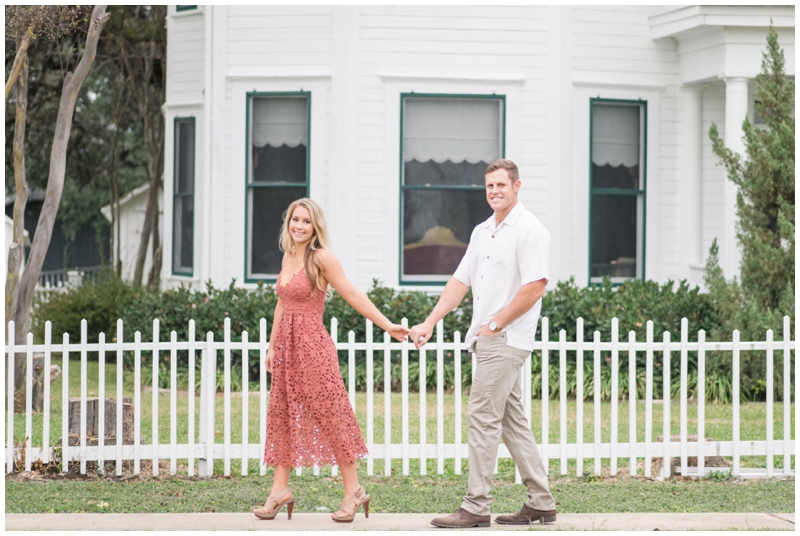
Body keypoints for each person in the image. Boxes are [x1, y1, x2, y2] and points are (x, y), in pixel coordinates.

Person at [410, 159, 557, 528]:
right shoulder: (482, 232)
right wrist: (429, 322)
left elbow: (535, 286)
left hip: (505, 338)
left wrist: (494, 324)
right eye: (489, 185)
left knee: (483, 417)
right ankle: (541, 501)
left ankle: (475, 506)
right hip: (490, 338)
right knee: (511, 421)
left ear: (517, 186)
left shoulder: (530, 230)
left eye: (501, 185)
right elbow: (460, 283)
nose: (494, 191)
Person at [254, 198, 410, 523]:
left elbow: (353, 294)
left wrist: (388, 325)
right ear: (288, 223)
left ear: (316, 227)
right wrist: (272, 347)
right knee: (282, 414)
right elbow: (282, 303)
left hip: (313, 348)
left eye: (306, 221)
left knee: (331, 415)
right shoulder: (288, 255)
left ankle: (353, 490)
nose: (299, 226)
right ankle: (278, 490)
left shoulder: (321, 258)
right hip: (286, 349)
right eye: (295, 219)